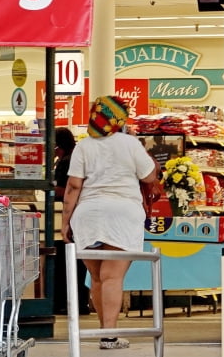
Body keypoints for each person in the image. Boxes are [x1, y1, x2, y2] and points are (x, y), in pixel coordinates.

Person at [61, 96, 158, 350]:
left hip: (88, 213)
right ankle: (109, 335)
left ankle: (107, 332)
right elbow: (149, 176)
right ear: (119, 119)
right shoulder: (130, 143)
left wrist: (65, 222)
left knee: (97, 276)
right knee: (112, 276)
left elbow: (73, 187)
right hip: (122, 213)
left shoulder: (83, 146)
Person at [53, 127, 90, 315]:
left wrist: (49, 187)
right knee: (79, 263)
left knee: (64, 262)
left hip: (68, 215)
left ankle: (66, 302)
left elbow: (65, 189)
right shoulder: (76, 157)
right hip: (82, 215)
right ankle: (80, 301)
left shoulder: (65, 162)